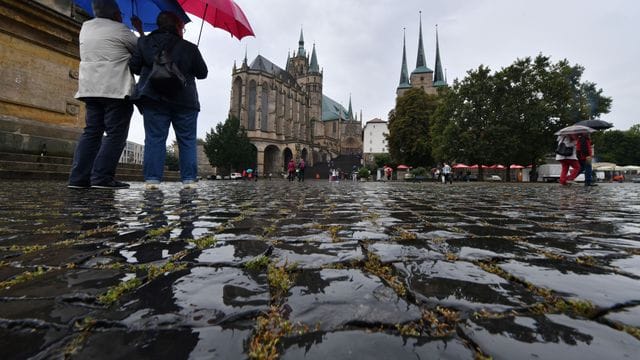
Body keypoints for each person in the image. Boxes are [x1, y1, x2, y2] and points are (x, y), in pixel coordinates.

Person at [68, 0, 143, 189]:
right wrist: (139, 31)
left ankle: (78, 179)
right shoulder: (121, 30)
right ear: (115, 14)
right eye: (119, 13)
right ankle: (101, 177)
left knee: (91, 132)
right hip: (115, 89)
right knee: (115, 135)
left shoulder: (85, 28)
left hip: (90, 88)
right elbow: (142, 52)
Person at [129, 11, 208, 189]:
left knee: (154, 138)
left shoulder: (145, 42)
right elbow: (202, 73)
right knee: (187, 140)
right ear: (178, 27)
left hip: (154, 96)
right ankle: (189, 181)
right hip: (185, 100)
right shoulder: (189, 47)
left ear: (158, 25)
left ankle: (152, 181)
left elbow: (134, 67)